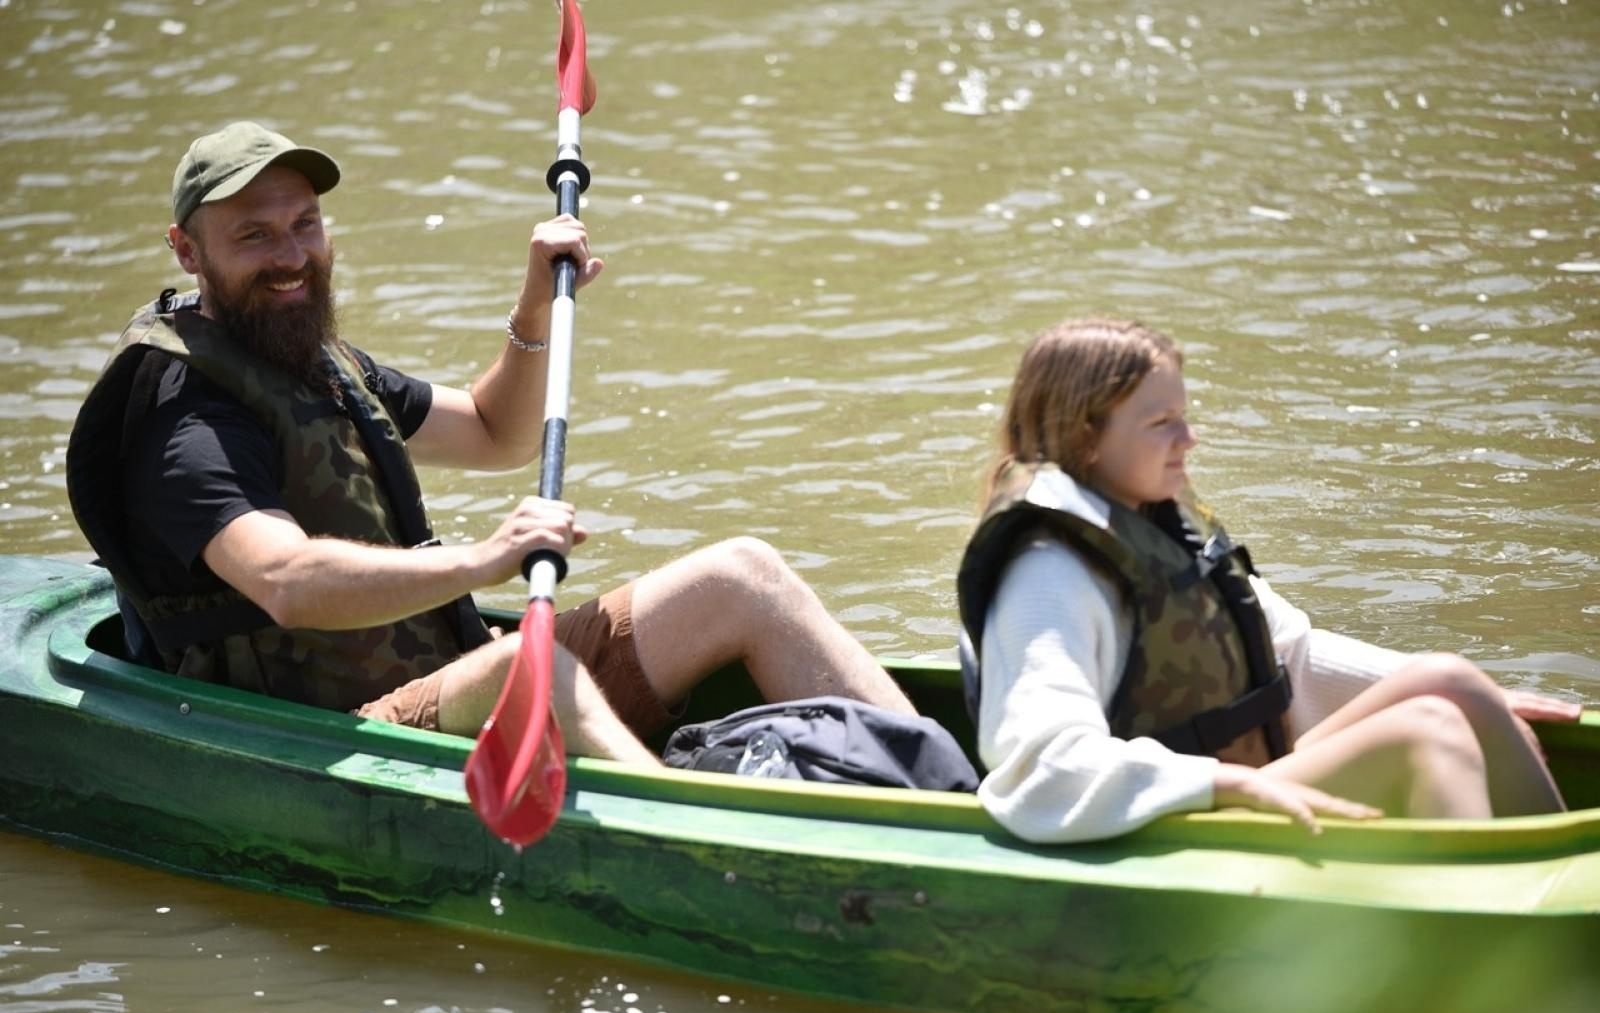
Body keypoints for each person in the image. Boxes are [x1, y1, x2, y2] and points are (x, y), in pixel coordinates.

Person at [66, 120, 915, 764]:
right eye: (255, 235)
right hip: (337, 736)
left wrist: (533, 308)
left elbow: (493, 429)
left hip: (447, 679)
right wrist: (485, 558)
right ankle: (715, 836)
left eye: (306, 224)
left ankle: (947, 795)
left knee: (745, 575)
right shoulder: (188, 421)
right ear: (188, 250)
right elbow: (284, 581)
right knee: (531, 669)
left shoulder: (308, 356)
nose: (293, 255)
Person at [956, 317, 1575, 843]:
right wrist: (1223, 783)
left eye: (1184, 415)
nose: (1188, 439)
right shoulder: (1047, 573)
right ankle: (1481, 925)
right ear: (1086, 437)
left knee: (1451, 683)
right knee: (1429, 732)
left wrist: (1482, 705)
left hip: (1237, 783)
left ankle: (1566, 880)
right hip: (1166, 820)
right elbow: (1039, 767)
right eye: (1161, 422)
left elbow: (1287, 653)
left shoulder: (1153, 520)